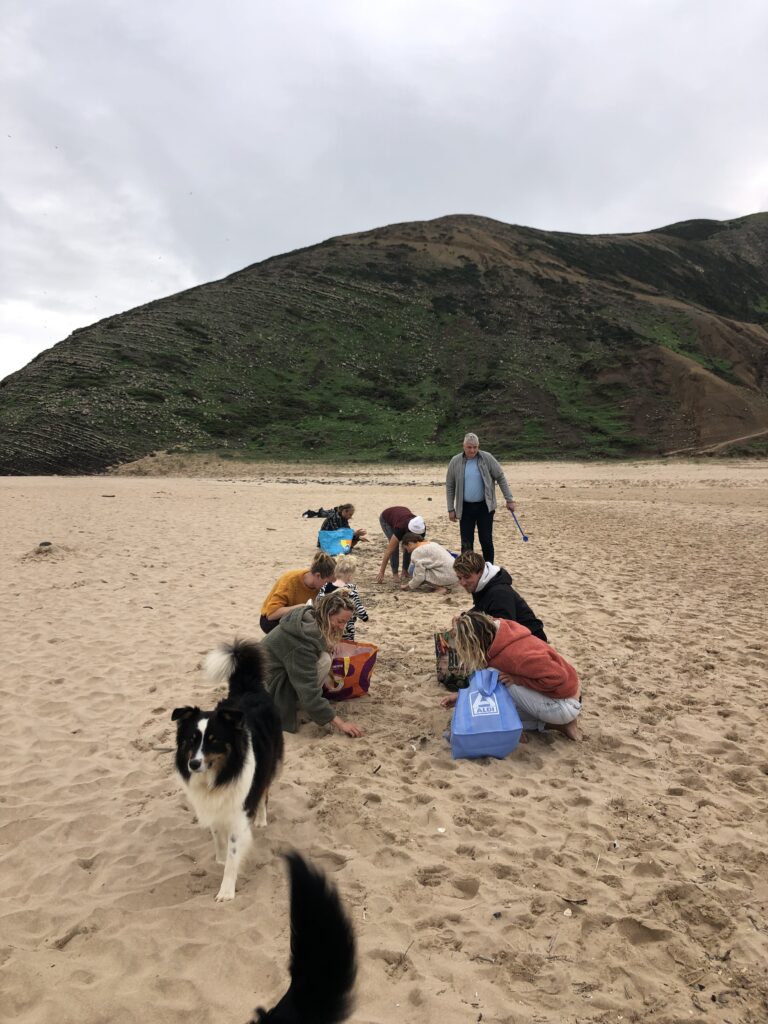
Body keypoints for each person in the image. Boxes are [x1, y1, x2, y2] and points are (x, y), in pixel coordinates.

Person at [440, 611, 581, 739]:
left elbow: (558, 677)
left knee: (495, 681)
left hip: (564, 703)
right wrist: (461, 697)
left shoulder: (514, 656)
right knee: (492, 715)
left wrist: (517, 680)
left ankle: (553, 723)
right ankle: (558, 726)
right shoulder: (501, 632)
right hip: (559, 696)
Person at [261, 590, 364, 737]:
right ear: (326, 614)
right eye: (340, 621)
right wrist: (341, 724)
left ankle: (300, 704)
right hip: (267, 688)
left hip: (266, 675)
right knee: (324, 661)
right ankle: (296, 706)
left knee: (325, 656)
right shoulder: (301, 644)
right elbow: (308, 691)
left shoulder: (308, 619)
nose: (342, 627)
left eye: (346, 622)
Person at [445, 432, 515, 563]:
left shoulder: (487, 458)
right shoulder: (455, 461)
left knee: (486, 540)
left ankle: (489, 569)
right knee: (466, 542)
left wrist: (509, 499)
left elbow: (500, 477)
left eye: (475, 447)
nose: (472, 450)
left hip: (485, 506)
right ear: (463, 446)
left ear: (478, 446)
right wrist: (450, 509)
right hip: (464, 507)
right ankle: (468, 570)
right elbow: (450, 485)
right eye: (469, 447)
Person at [452, 551, 547, 641]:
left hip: (532, 642)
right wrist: (465, 618)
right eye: (459, 578)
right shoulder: (484, 585)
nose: (463, 583)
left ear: (480, 572)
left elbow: (504, 631)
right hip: (519, 636)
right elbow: (483, 608)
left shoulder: (499, 593)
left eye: (467, 577)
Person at [259, 552, 336, 634]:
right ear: (318, 576)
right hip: (272, 620)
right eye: (328, 582)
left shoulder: (319, 585)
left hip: (296, 617)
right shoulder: (290, 581)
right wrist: (300, 607)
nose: (329, 585)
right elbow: (271, 615)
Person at [318, 554, 370, 641]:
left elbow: (318, 604)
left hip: (326, 631)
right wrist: (365, 617)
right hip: (345, 632)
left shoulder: (324, 587)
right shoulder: (350, 591)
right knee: (344, 654)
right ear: (350, 576)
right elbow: (361, 613)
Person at [376, 507, 426, 583]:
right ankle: (395, 573)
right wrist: (381, 572)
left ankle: (404, 571)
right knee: (394, 547)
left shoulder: (421, 528)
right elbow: (389, 551)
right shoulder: (401, 528)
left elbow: (420, 547)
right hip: (386, 518)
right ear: (409, 531)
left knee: (410, 546)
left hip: (402, 514)